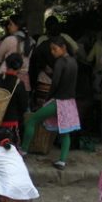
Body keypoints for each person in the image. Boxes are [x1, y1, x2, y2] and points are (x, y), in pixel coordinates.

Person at [21, 36, 80, 170]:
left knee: (31, 121)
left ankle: (23, 150)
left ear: (63, 47)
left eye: (55, 49)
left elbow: (54, 84)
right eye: (51, 50)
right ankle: (62, 161)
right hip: (70, 102)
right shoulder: (73, 62)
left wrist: (47, 99)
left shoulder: (60, 63)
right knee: (65, 132)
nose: (53, 52)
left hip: (58, 101)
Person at [0, 52, 29, 144]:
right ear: (20, 67)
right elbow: (23, 106)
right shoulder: (19, 84)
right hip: (10, 122)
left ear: (6, 64)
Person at [0, 14, 34, 91]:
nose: (8, 26)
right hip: (24, 80)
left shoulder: (10, 40)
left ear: (17, 26)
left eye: (10, 24)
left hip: (8, 79)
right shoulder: (31, 41)